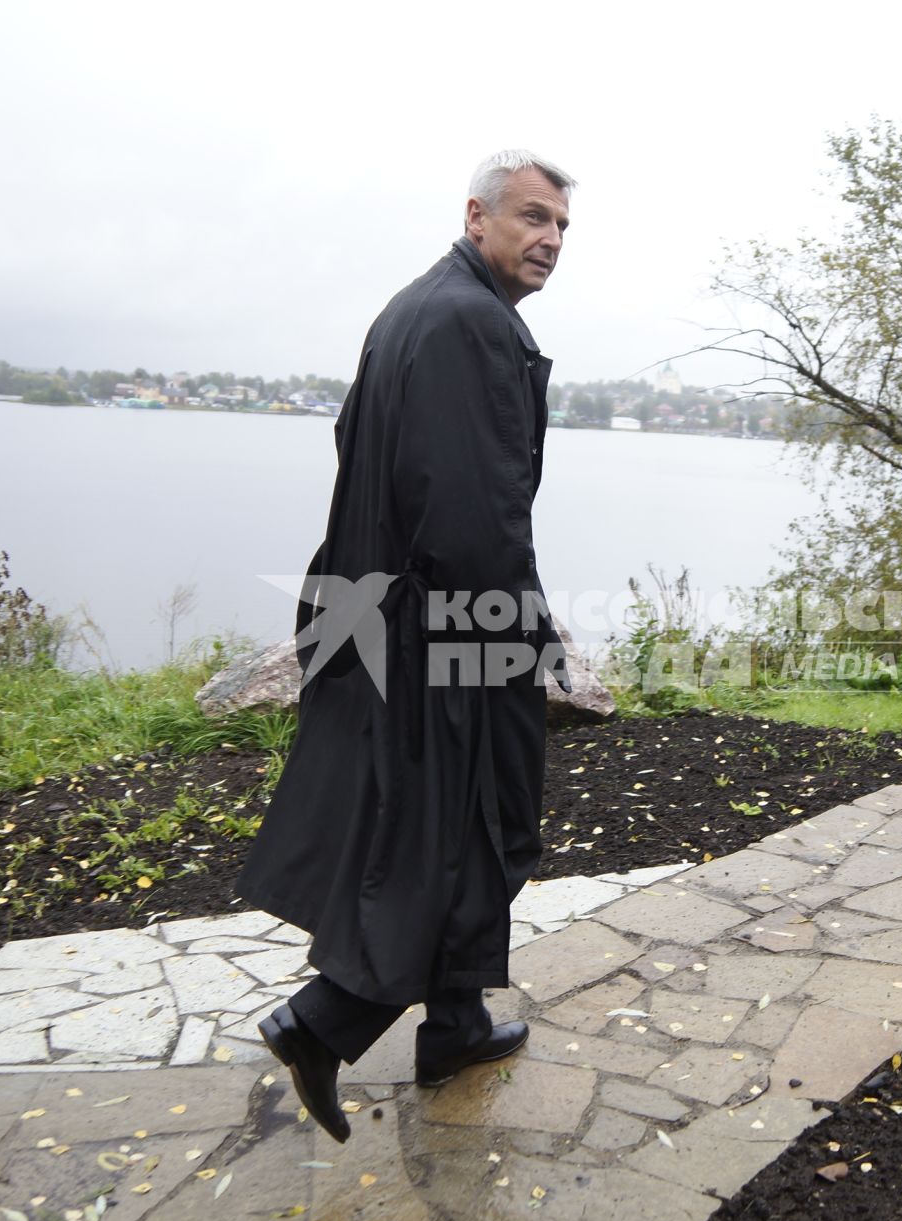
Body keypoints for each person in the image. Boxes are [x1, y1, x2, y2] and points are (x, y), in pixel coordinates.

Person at [234, 150, 574, 1143]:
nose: (548, 238)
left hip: (391, 620)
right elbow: (472, 510)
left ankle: (456, 1024)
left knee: (455, 833)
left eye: (560, 225)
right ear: (477, 216)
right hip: (450, 636)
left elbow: (361, 458)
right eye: (531, 217)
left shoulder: (411, 310)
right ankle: (322, 1021)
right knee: (473, 833)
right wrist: (523, 633)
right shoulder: (470, 323)